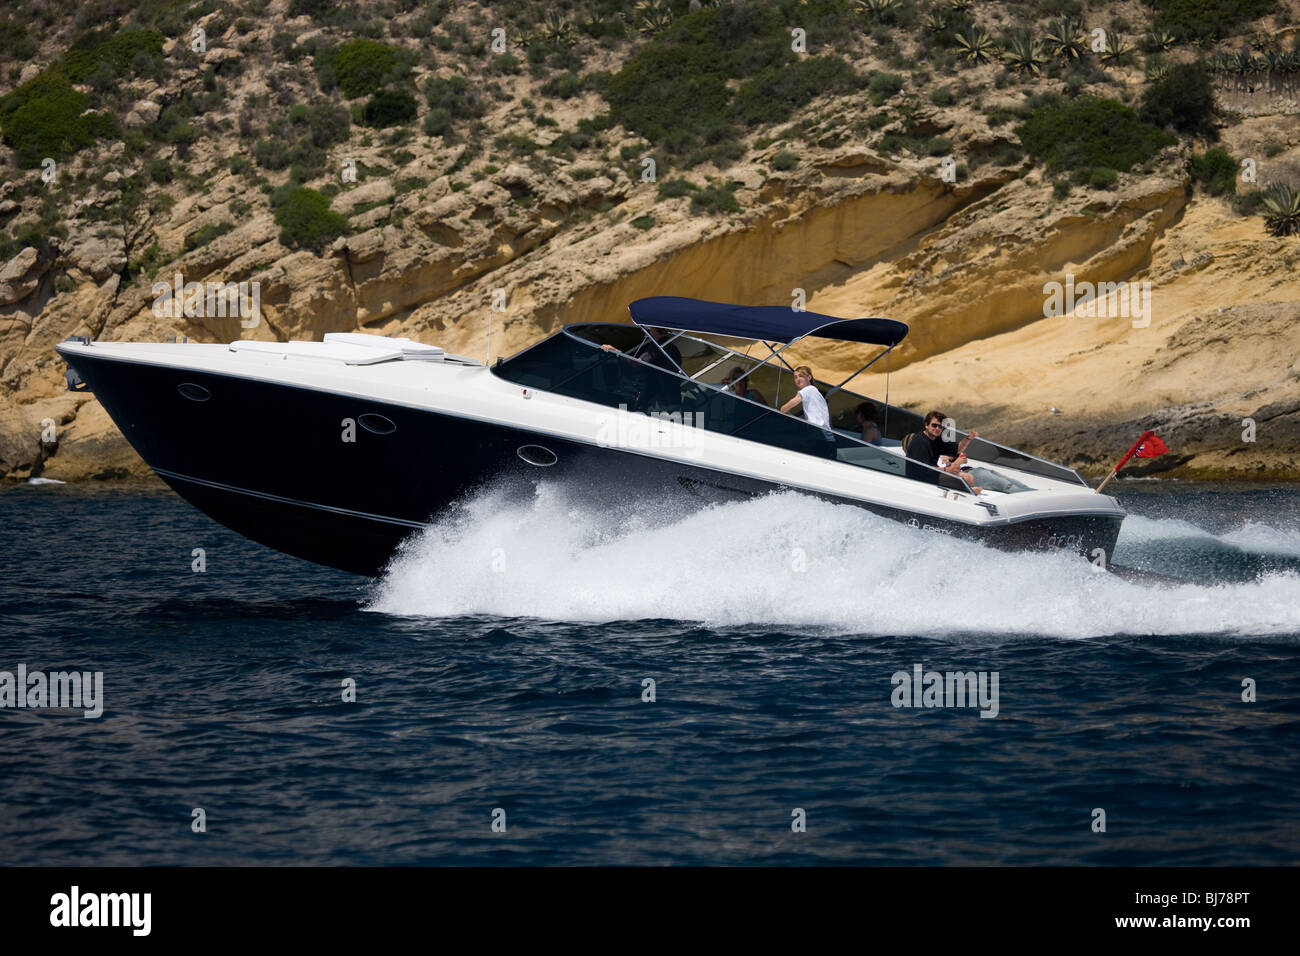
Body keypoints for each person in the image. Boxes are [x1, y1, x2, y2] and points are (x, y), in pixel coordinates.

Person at [601, 326, 682, 411]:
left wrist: (615, 351)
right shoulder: (673, 348)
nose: (649, 331)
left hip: (661, 402)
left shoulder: (658, 346)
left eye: (651, 329)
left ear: (655, 330)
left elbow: (636, 364)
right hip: (672, 399)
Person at [905, 410, 982, 493]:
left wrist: (968, 438)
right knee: (966, 479)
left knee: (970, 478)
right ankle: (967, 491)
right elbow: (923, 469)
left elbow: (956, 449)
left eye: (940, 427)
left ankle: (966, 488)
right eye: (934, 425)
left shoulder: (937, 439)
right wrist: (947, 470)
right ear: (926, 425)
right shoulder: (919, 442)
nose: (937, 428)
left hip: (934, 473)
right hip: (920, 479)